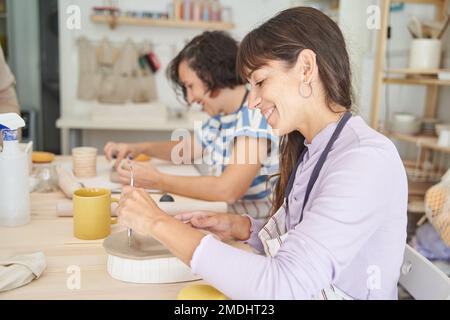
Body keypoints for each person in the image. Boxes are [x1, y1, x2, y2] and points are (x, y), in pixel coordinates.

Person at [116, 7, 407, 299]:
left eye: (260, 82)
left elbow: (283, 285)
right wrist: (246, 229)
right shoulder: (310, 148)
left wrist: (157, 222)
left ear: (306, 68)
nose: (252, 102)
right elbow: (303, 242)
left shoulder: (365, 160)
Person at [105, 31, 278, 219]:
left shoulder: (254, 117)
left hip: (252, 232)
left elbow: (228, 190)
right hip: (226, 219)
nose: (189, 98)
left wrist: (158, 180)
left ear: (211, 75)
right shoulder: (221, 118)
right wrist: (139, 148)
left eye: (190, 86)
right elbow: (186, 149)